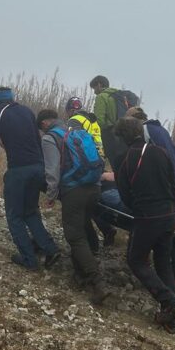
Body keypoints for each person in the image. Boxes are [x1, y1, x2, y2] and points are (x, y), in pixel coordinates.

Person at [114, 117, 175, 330]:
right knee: (163, 261)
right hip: (169, 214)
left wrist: (137, 209)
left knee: (136, 260)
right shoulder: (160, 151)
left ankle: (168, 300)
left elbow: (124, 195)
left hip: (146, 217)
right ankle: (171, 318)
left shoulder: (123, 159)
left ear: (122, 137)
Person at [0, 87, 60, 271]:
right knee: (30, 211)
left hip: (18, 171)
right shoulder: (26, 111)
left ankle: (29, 259)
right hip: (37, 167)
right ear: (12, 97)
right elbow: (36, 139)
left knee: (14, 216)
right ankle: (50, 249)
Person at [37, 109, 106, 305]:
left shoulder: (50, 138)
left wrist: (50, 196)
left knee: (74, 235)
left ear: (43, 124)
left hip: (74, 190)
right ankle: (82, 270)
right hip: (94, 187)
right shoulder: (76, 132)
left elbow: (52, 171)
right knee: (83, 224)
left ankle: (97, 282)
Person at [128, 107, 175, 285]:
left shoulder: (146, 131)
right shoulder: (161, 130)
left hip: (165, 181)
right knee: (170, 225)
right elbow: (174, 151)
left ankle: (142, 264)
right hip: (174, 177)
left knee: (162, 225)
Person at [66, 96, 116, 248]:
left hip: (85, 165)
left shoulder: (74, 121)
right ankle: (106, 229)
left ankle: (97, 237)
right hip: (98, 162)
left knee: (86, 204)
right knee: (94, 200)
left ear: (69, 110)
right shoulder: (92, 120)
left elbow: (73, 144)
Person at [89, 75, 139, 168]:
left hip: (110, 134)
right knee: (125, 165)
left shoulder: (101, 96)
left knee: (115, 165)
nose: (94, 92)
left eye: (94, 88)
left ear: (99, 85)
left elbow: (99, 120)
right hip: (124, 136)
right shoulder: (119, 96)